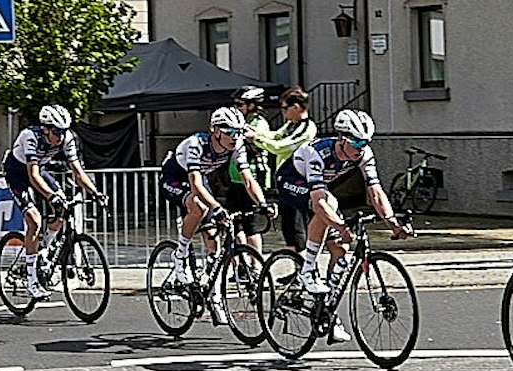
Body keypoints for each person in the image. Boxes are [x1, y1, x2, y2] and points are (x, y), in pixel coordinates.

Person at [273, 111, 411, 330]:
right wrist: (340, 225)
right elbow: (319, 203)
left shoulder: (363, 153)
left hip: (321, 188)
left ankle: (327, 312)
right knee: (329, 204)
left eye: (366, 142)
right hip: (291, 182)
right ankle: (307, 270)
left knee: (339, 248)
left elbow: (375, 192)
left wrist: (392, 222)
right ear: (341, 138)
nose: (361, 147)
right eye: (356, 142)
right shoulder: (316, 153)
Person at [160, 108, 266, 309]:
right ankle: (180, 253)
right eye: (231, 132)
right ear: (216, 131)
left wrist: (263, 204)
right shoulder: (196, 144)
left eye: (239, 132)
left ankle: (213, 294)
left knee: (213, 242)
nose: (235, 137)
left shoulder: (238, 145)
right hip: (175, 178)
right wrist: (216, 207)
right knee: (199, 207)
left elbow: (247, 179)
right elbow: (196, 186)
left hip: (201, 180)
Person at [5, 104, 102, 300]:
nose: (61, 136)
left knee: (63, 207)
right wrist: (51, 196)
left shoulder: (67, 139)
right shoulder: (29, 137)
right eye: (57, 132)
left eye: (64, 131)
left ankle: (44, 249)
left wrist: (95, 192)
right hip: (18, 174)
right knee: (34, 220)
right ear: (46, 129)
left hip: (40, 171)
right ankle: (32, 281)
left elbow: (77, 172)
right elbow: (32, 176)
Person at [254, 87, 317, 249]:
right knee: (287, 226)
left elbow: (280, 147)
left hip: (299, 181)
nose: (282, 112)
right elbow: (275, 135)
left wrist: (256, 139)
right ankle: (296, 266)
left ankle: (303, 268)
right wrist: (254, 132)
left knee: (297, 226)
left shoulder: (307, 129)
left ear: (296, 107)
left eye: (284, 108)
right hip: (285, 180)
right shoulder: (291, 124)